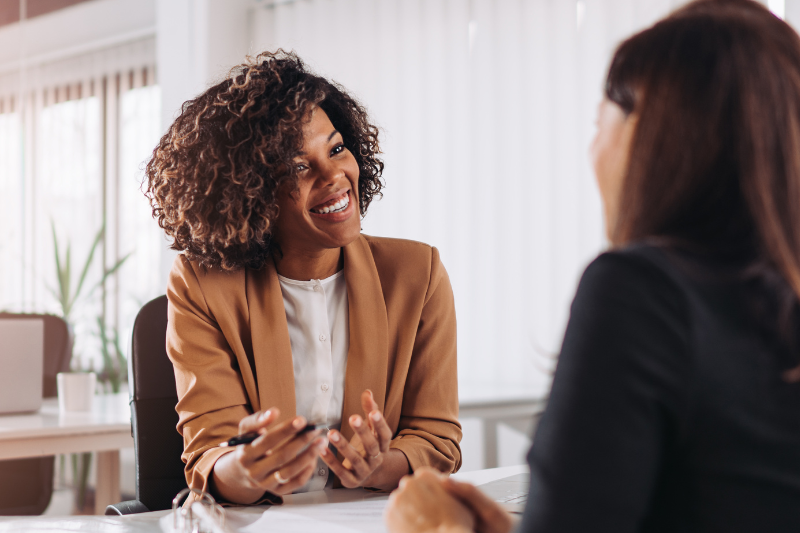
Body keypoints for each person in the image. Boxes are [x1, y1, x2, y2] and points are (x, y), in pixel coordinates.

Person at [385, 1, 800, 531]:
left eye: (599, 121)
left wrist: (437, 527)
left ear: (651, 138)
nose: (592, 147)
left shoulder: (642, 291)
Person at [144, 51, 461, 505]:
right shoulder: (202, 285)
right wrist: (250, 468)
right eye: (298, 166)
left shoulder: (417, 273)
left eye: (336, 149)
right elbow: (209, 457)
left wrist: (378, 465)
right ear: (249, 192)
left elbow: (437, 439)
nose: (334, 176)